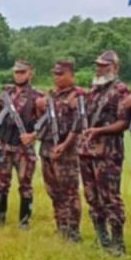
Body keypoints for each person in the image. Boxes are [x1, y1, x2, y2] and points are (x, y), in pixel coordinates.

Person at [76, 50, 131, 255]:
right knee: (92, 196)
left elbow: (123, 123)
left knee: (110, 197)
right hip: (86, 151)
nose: (100, 68)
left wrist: (99, 131)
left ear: (115, 67)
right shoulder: (93, 91)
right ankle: (102, 237)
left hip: (107, 153)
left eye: (104, 65)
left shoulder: (121, 91)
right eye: (98, 65)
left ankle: (118, 242)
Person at [35, 60, 83, 241]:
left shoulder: (77, 95)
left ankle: (73, 230)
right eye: (55, 74)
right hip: (47, 147)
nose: (57, 77)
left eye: (61, 74)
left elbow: (77, 125)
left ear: (71, 74)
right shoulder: (51, 96)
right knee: (53, 190)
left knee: (69, 191)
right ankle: (61, 225)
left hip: (66, 150)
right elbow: (43, 122)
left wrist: (65, 145)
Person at [0, 60, 41, 228]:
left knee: (25, 184)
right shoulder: (6, 91)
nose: (19, 75)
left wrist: (33, 136)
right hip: (4, 143)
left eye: (22, 72)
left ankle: (24, 222)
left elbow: (46, 123)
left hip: (23, 147)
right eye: (16, 72)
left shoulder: (37, 96)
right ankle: (0, 219)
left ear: (30, 73)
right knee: (0, 183)